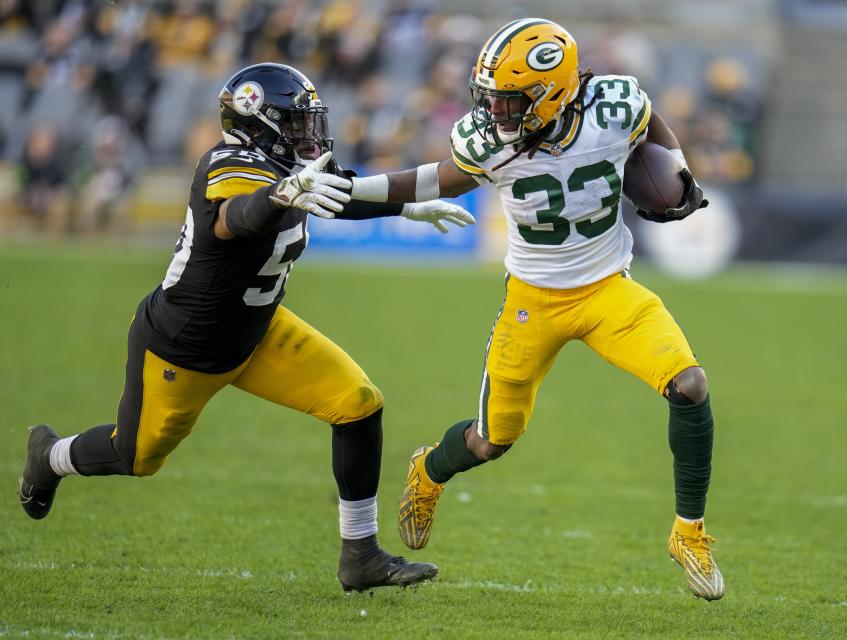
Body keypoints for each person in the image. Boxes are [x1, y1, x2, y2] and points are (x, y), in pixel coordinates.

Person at [18, 62, 475, 592]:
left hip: (258, 329)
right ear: (260, 123)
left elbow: (339, 194)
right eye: (298, 123)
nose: (311, 134)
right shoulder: (229, 161)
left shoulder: (291, 168)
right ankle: (49, 455)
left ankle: (360, 555)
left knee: (358, 403)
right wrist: (280, 196)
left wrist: (405, 207)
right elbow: (232, 219)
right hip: (187, 346)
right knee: (135, 456)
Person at [345, 19, 723, 600]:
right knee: (492, 440)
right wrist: (353, 190)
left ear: (552, 94)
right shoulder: (491, 140)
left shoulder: (614, 106)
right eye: (490, 95)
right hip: (533, 302)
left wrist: (675, 168)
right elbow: (434, 181)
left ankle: (688, 531)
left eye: (509, 97)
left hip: (608, 291)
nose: (494, 108)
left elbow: (650, 122)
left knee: (690, 384)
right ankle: (429, 471)